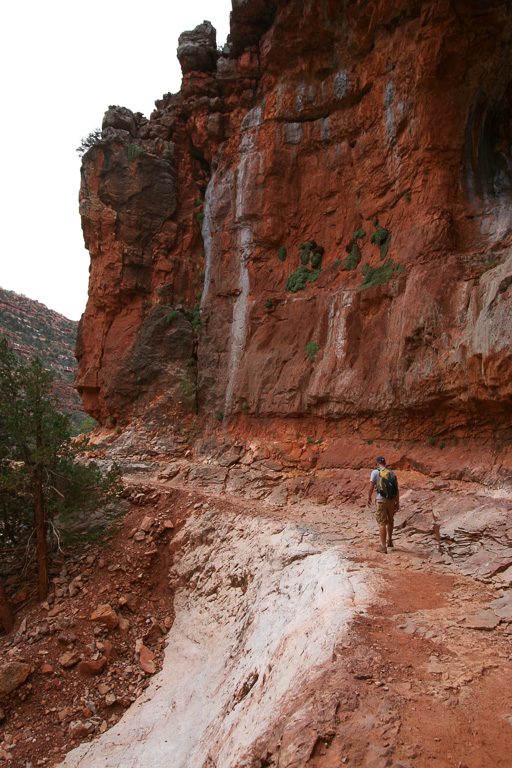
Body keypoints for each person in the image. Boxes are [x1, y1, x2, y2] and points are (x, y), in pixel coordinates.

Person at [367, 456, 399, 554]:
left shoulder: (375, 472)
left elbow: (371, 487)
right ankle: (389, 540)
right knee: (390, 521)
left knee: (382, 523)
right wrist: (397, 502)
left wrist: (369, 497)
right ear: (385, 463)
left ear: (377, 463)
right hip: (391, 500)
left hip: (381, 500)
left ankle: (383, 546)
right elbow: (397, 489)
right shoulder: (391, 473)